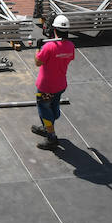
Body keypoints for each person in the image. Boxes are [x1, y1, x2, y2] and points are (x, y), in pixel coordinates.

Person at [31, 14, 74, 150]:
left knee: (44, 110)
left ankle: (51, 138)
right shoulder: (70, 46)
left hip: (46, 86)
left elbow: (38, 62)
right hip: (60, 85)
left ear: (54, 29)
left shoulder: (49, 46)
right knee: (53, 107)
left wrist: (38, 48)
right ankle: (46, 127)